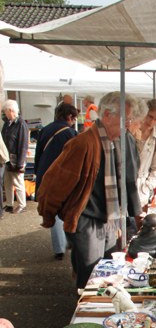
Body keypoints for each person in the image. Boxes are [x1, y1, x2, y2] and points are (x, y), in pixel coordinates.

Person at [37, 91, 143, 290]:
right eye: (125, 118)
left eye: (129, 119)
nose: (128, 123)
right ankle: (85, 317)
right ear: (107, 116)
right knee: (90, 280)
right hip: (87, 222)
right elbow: (54, 183)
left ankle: (106, 313)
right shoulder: (82, 143)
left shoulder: (118, 141)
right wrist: (49, 215)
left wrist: (131, 214)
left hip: (110, 220)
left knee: (111, 275)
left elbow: (128, 180)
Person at [34, 102, 79, 259]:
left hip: (45, 176)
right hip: (64, 178)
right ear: (69, 117)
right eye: (74, 118)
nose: (74, 121)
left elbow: (38, 155)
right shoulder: (71, 133)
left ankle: (59, 249)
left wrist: (37, 175)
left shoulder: (45, 129)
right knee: (67, 210)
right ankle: (69, 242)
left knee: (52, 212)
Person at [134, 98, 156, 209]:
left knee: (139, 221)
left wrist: (148, 184)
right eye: (150, 116)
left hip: (142, 186)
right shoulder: (131, 131)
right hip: (124, 185)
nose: (151, 122)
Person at [1, 99, 29, 214]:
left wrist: (20, 162)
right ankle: (9, 204)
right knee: (7, 181)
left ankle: (22, 205)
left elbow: (23, 144)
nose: (5, 113)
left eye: (5, 111)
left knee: (18, 182)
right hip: (7, 158)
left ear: (10, 110)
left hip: (16, 158)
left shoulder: (21, 124)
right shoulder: (7, 124)